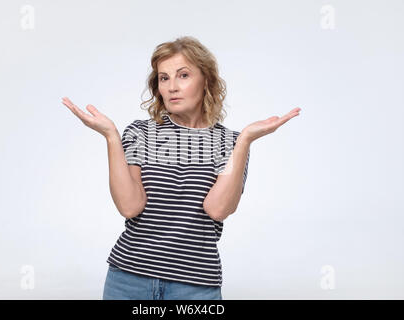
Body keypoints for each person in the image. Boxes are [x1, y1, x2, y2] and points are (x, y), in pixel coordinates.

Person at [61, 36, 301, 300]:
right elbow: (130, 207)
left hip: (195, 286)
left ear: (206, 81)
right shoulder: (140, 133)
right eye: (164, 78)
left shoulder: (229, 142)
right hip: (129, 280)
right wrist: (111, 137)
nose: (172, 86)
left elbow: (218, 209)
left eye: (183, 75)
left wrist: (244, 140)